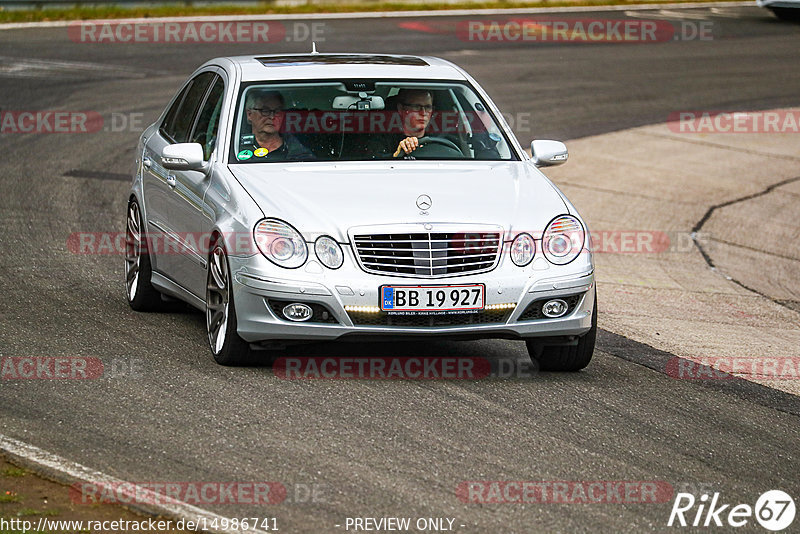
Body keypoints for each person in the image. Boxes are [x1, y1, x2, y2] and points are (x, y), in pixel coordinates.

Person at [238, 90, 314, 162]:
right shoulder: (234, 147)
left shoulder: (299, 153)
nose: (272, 116)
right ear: (249, 114)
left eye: (277, 111)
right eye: (265, 111)